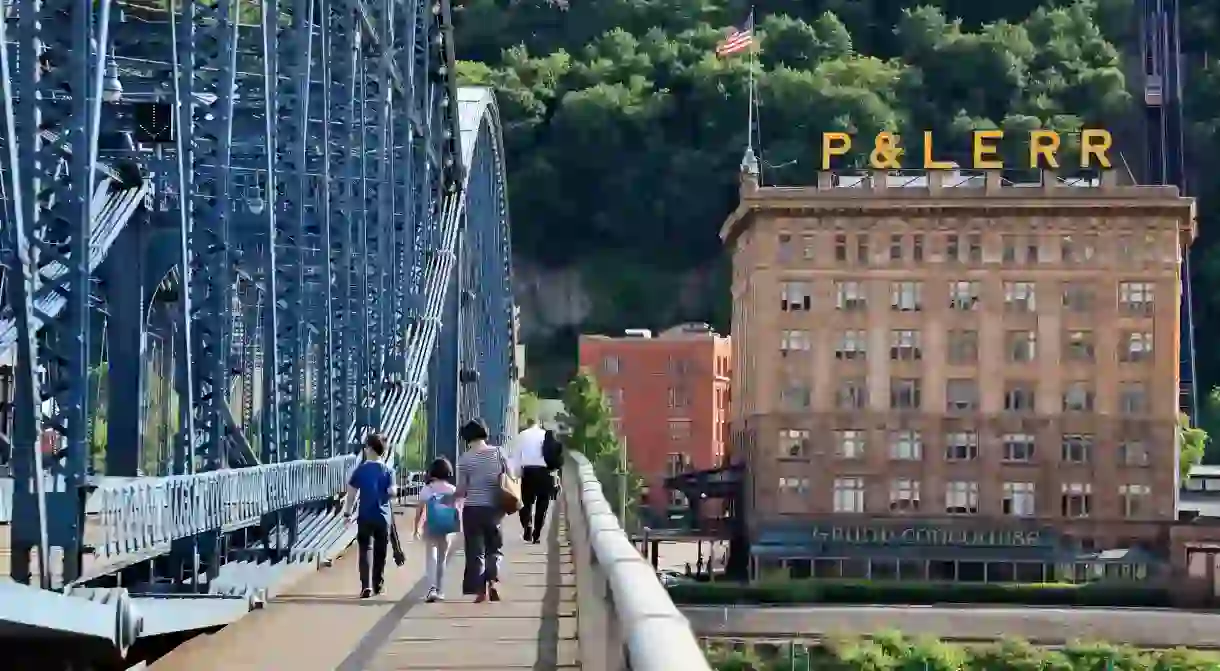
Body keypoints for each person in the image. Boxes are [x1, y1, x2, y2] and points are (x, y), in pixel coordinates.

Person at [456, 418, 507, 602]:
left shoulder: (465, 459)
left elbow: (462, 490)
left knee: (475, 552)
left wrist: (449, 498)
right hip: (494, 509)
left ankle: (479, 590)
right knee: (494, 549)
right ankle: (492, 580)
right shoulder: (499, 453)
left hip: (472, 510)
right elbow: (509, 477)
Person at [342, 433, 396, 598]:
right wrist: (387, 492)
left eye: (366, 447)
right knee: (381, 552)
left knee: (365, 550)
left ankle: (366, 586)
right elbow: (393, 492)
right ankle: (378, 585)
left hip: (365, 516)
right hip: (383, 517)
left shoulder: (361, 470)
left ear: (370, 449)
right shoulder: (388, 470)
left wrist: (347, 514)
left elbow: (351, 494)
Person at [413, 457, 459, 603]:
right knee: (442, 559)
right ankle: (440, 590)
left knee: (431, 557)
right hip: (446, 529)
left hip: (430, 527)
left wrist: (417, 528)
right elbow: (458, 511)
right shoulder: (453, 490)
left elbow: (420, 511)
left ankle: (431, 588)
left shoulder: (427, 489)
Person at [509, 418, 555, 543]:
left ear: (527, 424)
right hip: (545, 473)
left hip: (528, 472)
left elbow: (516, 456)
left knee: (526, 502)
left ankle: (527, 527)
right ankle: (537, 534)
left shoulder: (522, 435)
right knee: (543, 504)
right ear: (539, 423)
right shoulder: (546, 435)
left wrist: (516, 474)